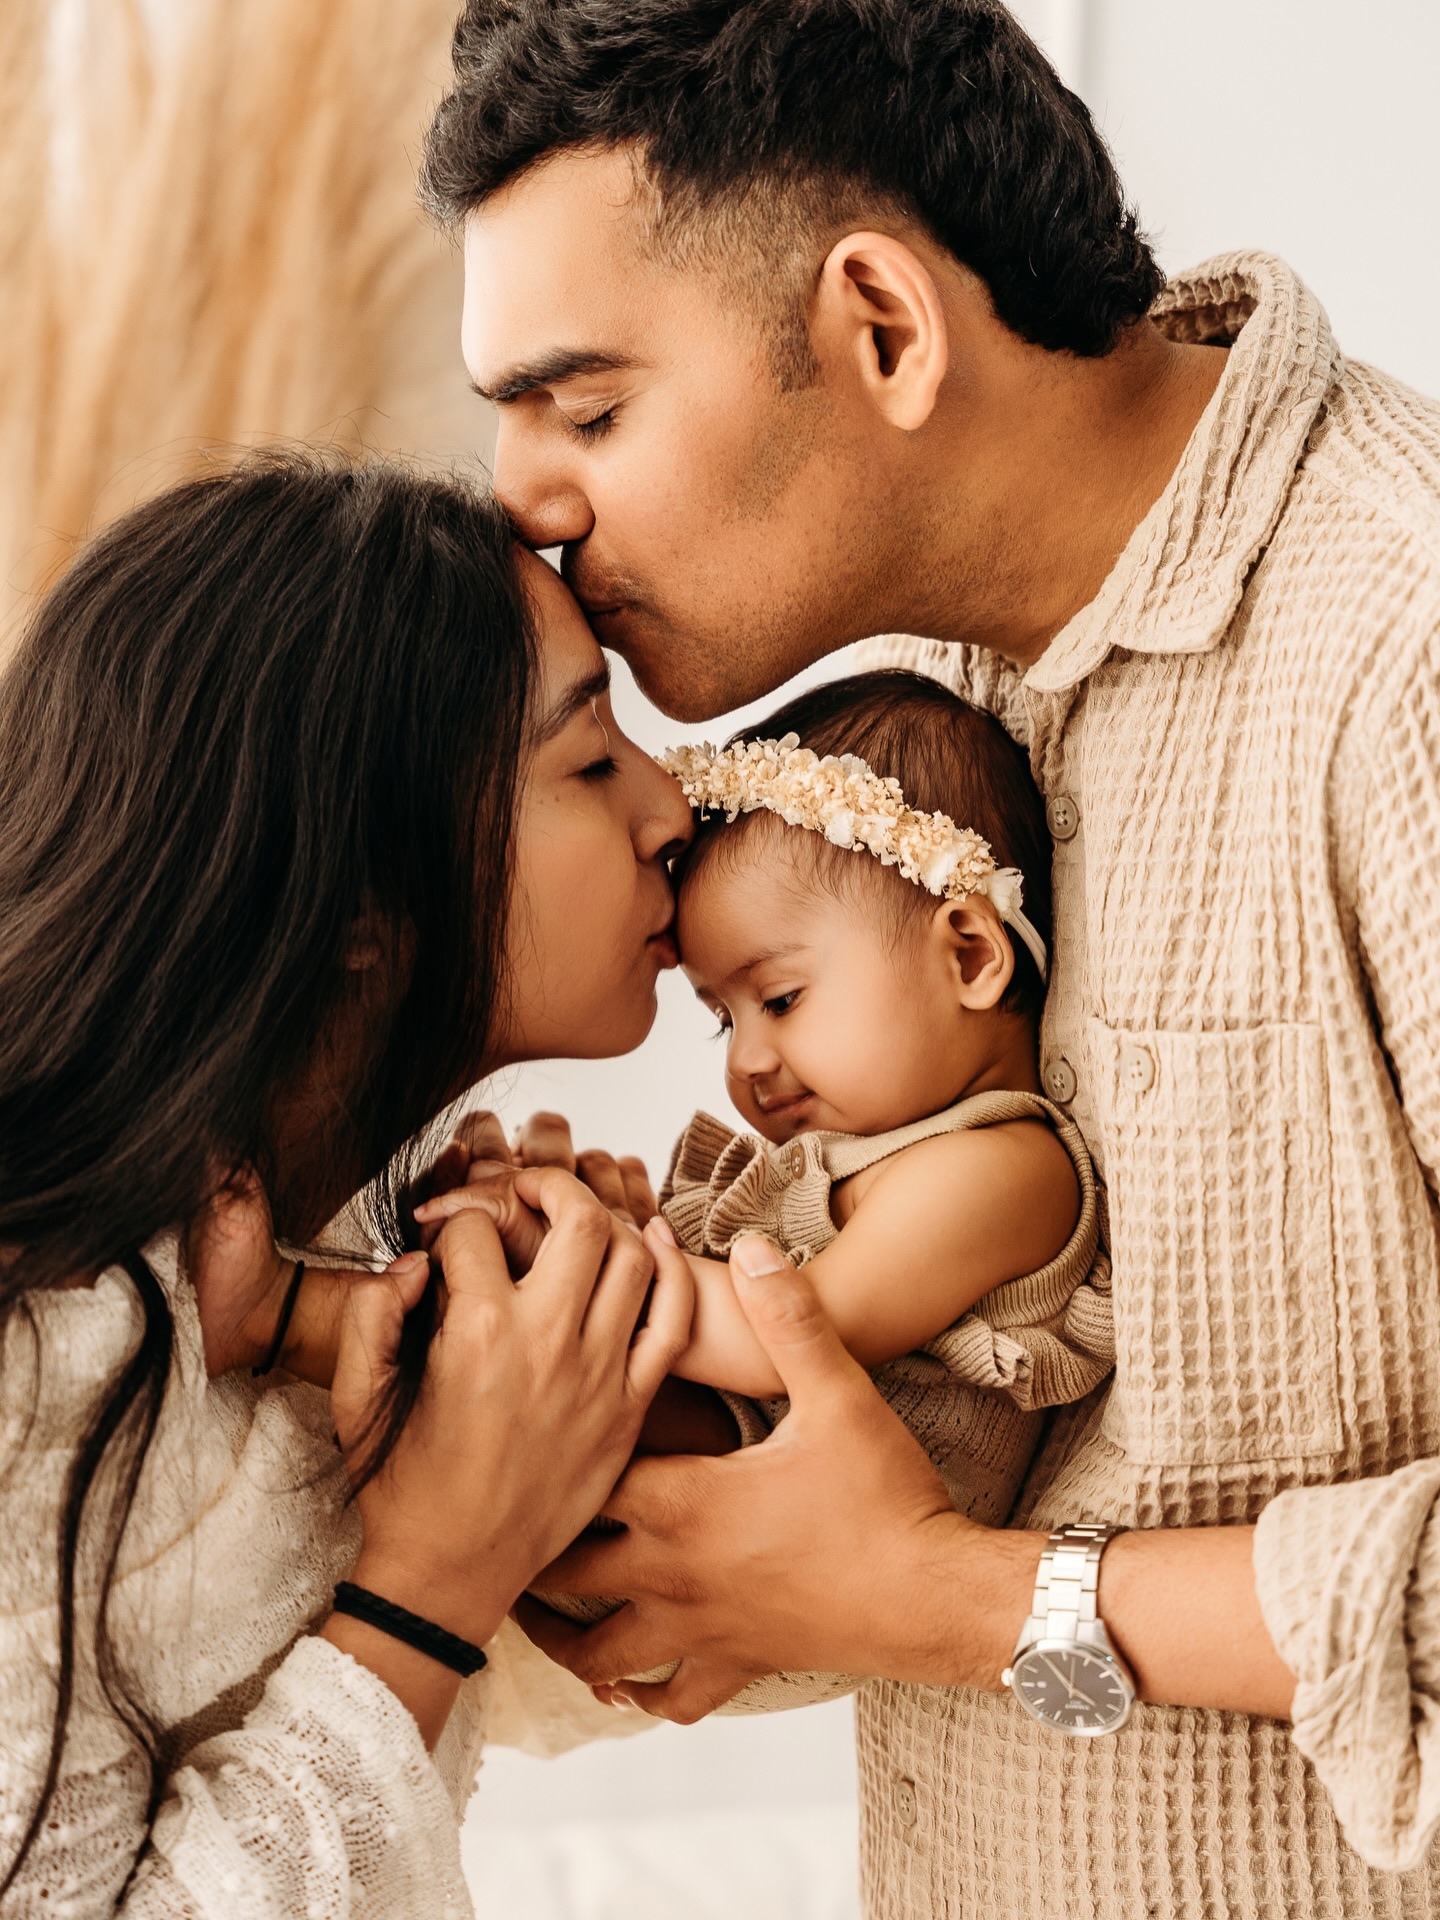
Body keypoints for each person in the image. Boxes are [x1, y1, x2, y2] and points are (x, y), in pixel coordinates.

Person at [420, 0, 1440, 1913]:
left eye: (588, 406)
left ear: (883, 326)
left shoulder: (1408, 666)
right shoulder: (928, 712)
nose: (523, 503)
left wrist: (958, 1603)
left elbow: (938, 1582)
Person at [0, 451, 699, 1915]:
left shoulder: (284, 1271)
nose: (670, 804)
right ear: (365, 903)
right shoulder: (32, 1366)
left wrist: (553, 1393)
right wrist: (428, 1586)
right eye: (588, 760)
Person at [430, 669, 1114, 1713]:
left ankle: (344, 1322)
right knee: (513, 1347)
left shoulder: (1002, 1167)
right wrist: (607, 1229)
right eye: (723, 1016)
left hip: (810, 1527)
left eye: (781, 997)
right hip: (738, 1472)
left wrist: (598, 1256)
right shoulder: (862, 1151)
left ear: (969, 955)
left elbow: (783, 1341)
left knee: (525, 1355)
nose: (748, 1060)